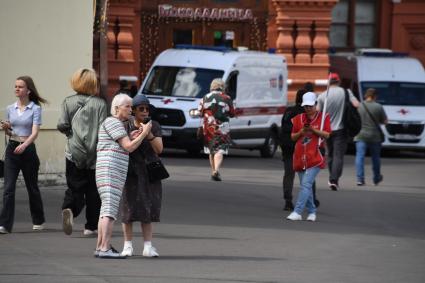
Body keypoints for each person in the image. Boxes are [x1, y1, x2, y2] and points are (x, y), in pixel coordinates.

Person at [95, 94, 151, 259]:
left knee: (105, 209)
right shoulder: (113, 122)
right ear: (117, 107)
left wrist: (135, 136)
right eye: (127, 106)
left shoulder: (116, 123)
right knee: (110, 210)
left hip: (110, 170)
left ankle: (100, 247)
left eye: (130, 106)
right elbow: (128, 147)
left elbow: (124, 142)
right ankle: (104, 248)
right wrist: (144, 133)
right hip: (110, 169)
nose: (130, 109)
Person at [57, 68, 108, 236]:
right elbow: (103, 128)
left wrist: (71, 134)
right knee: (94, 191)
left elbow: (62, 124)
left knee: (74, 186)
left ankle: (70, 208)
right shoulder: (100, 104)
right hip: (95, 154)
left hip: (73, 152)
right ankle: (91, 226)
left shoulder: (68, 101)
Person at [0, 76, 47, 234]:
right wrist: (6, 128)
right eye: (15, 86)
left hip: (28, 149)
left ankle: (38, 220)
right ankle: (5, 224)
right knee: (8, 188)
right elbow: (10, 131)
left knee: (32, 187)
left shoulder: (35, 108)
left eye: (20, 87)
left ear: (28, 90)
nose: (17, 89)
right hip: (12, 149)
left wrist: (25, 145)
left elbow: (34, 133)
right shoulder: (10, 108)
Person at [120, 94, 163, 258]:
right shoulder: (125, 125)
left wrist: (148, 133)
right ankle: (127, 245)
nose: (145, 112)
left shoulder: (154, 125)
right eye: (141, 109)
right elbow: (123, 147)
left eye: (147, 108)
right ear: (134, 110)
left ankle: (148, 246)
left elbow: (159, 149)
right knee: (128, 208)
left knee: (148, 207)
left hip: (150, 171)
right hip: (130, 171)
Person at [287, 92, 331, 222]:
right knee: (305, 186)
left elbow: (327, 135)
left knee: (306, 184)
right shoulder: (298, 118)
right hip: (300, 156)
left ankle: (298, 212)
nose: (308, 108)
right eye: (306, 106)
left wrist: (314, 130)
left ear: (316, 104)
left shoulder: (324, 117)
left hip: (316, 156)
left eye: (310, 106)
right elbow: (292, 137)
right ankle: (312, 211)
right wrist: (301, 132)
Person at [317, 73, 359, 191]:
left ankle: (332, 178)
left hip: (327, 130)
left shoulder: (322, 95)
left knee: (330, 154)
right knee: (338, 155)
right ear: (338, 81)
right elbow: (357, 105)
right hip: (341, 129)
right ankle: (334, 180)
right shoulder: (346, 92)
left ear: (328, 82)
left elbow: (317, 113)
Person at [280, 89, 320, 211]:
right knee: (308, 175)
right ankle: (311, 199)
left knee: (289, 174)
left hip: (287, 146)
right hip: (303, 147)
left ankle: (288, 200)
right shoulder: (307, 114)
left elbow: (283, 127)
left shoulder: (288, 111)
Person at [198, 78, 235, 181]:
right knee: (220, 149)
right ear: (222, 87)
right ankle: (216, 170)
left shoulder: (205, 97)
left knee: (211, 150)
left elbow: (200, 113)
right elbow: (232, 113)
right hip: (222, 128)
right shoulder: (227, 98)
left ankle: (213, 170)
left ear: (212, 86)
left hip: (208, 128)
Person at [354, 88, 388, 186]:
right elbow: (385, 121)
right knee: (375, 158)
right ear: (375, 96)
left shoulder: (359, 106)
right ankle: (376, 178)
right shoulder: (378, 106)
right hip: (375, 136)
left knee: (360, 157)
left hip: (360, 135)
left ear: (366, 95)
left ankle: (360, 179)